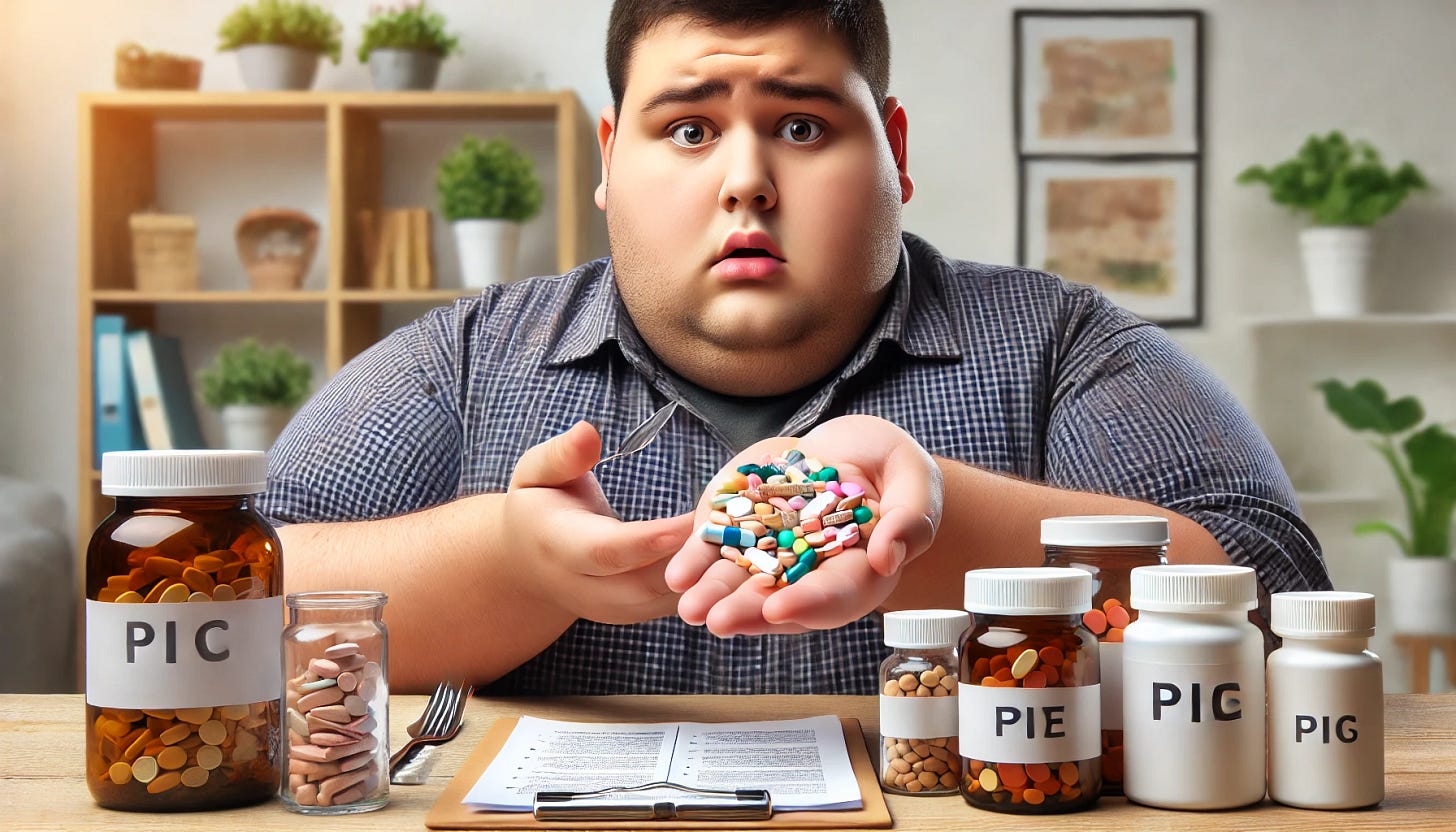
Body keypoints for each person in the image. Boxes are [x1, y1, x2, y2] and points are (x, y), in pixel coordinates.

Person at [262, 0, 1329, 694]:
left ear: (894, 151)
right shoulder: (469, 356)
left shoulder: (1061, 345)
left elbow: (1281, 604)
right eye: (686, 129)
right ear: (606, 156)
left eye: (803, 126)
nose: (744, 182)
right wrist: (512, 564)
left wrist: (940, 528)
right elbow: (212, 598)